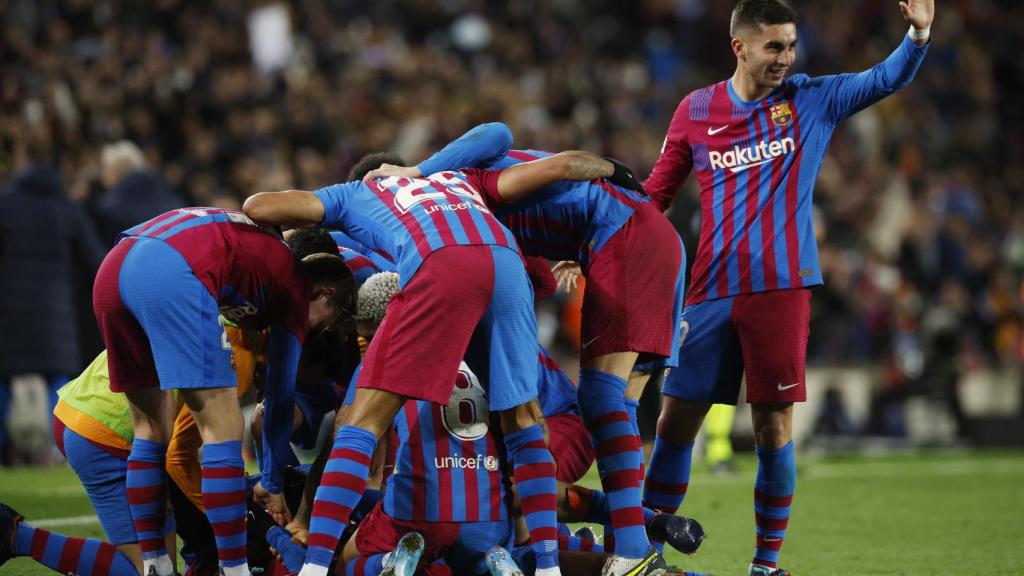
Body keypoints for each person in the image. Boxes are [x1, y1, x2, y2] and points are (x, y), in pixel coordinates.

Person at [639, 1, 933, 575]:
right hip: (710, 290)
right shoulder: (696, 110)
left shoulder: (811, 98)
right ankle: (643, 554)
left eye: (791, 46)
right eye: (774, 47)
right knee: (675, 422)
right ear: (740, 47)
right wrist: (603, 244)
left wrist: (918, 33)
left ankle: (765, 564)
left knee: (772, 425)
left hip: (781, 288)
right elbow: (655, 196)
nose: (786, 58)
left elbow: (885, 77)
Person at [243, 152, 619, 576]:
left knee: (362, 424)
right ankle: (548, 566)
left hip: (439, 267)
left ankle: (314, 568)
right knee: (524, 426)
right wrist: (619, 176)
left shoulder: (357, 195)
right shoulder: (461, 181)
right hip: (505, 264)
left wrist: (296, 233)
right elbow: (561, 163)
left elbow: (258, 206)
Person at [364, 123, 686, 575]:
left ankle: (630, 550)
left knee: (600, 398)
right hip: (635, 239)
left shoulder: (466, 184)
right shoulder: (474, 218)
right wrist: (572, 235)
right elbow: (541, 278)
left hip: (626, 237)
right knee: (622, 407)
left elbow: (500, 133)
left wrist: (416, 169)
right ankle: (631, 554)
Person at [92, 207, 354, 576]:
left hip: (116, 264)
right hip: (171, 269)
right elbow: (279, 394)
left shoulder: (256, 246)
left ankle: (156, 564)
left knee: (150, 427)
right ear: (326, 293)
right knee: (223, 427)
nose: (325, 330)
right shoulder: (294, 283)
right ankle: (235, 569)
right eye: (333, 318)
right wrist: (273, 481)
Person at [0, 158, 106, 465]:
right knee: (57, 381)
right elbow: (96, 261)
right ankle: (61, 451)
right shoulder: (66, 209)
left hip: (8, 310)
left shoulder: (6, 204)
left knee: (3, 379)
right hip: (53, 312)